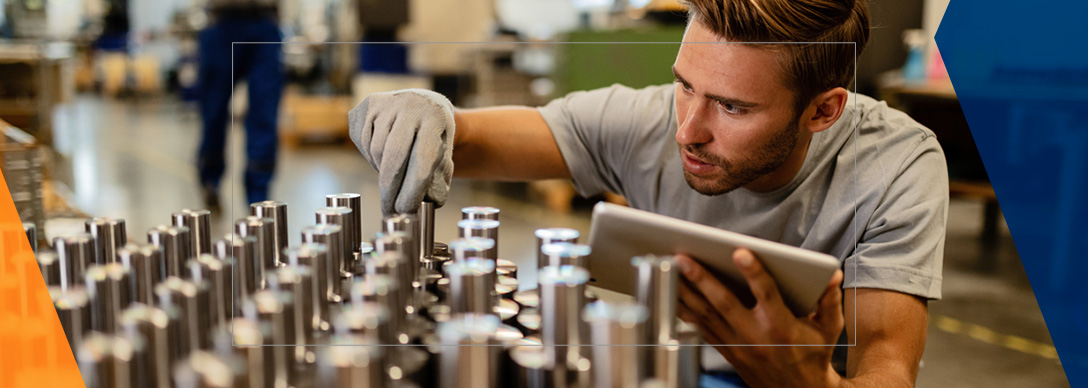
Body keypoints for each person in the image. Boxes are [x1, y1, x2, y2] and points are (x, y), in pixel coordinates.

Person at [349, 0, 947, 387]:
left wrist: (809, 384)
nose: (687, 130)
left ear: (823, 111)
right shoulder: (642, 121)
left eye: (733, 107)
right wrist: (420, 113)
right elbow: (471, 138)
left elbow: (887, 366)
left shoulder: (895, 166)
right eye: (685, 86)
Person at [197, 0, 284, 209]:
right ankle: (210, 178)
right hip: (222, 23)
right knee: (214, 111)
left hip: (264, 22)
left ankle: (258, 195)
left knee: (264, 113)